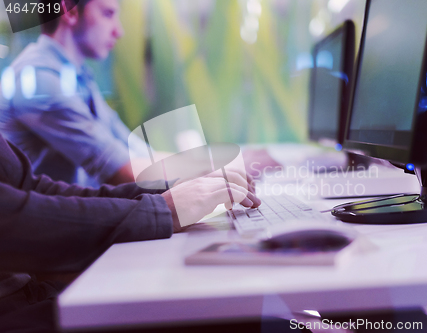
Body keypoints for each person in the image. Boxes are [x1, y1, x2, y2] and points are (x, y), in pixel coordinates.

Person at [0, 132, 259, 332]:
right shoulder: (45, 80)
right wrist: (163, 210)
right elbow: (10, 220)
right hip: (14, 314)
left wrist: (170, 194)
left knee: (239, 307)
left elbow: (35, 191)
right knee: (249, 317)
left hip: (34, 294)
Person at [0, 0, 150, 188]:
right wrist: (191, 169)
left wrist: (191, 164)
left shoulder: (78, 76)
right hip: (51, 216)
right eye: (108, 14)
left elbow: (133, 149)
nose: (118, 31)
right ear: (70, 12)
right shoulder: (40, 80)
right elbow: (124, 172)